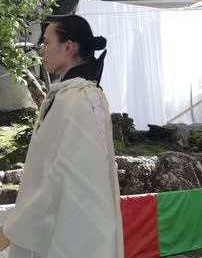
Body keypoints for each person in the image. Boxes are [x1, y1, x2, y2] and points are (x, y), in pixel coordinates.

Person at [3, 15, 124, 258]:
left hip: (71, 230)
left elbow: (69, 176)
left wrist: (17, 225)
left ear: (68, 47)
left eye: (47, 42)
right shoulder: (67, 95)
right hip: (49, 221)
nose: (42, 49)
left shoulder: (80, 99)